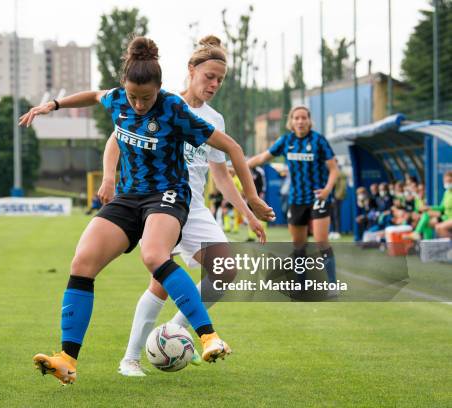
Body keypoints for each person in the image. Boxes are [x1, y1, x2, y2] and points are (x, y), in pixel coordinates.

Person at [19, 36, 273, 385]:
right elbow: (95, 97)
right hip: (129, 196)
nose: (139, 105)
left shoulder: (173, 109)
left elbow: (229, 147)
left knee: (155, 257)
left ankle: (207, 336)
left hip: (168, 195)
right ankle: (67, 359)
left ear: (159, 88)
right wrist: (54, 104)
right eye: (133, 96)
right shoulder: (118, 99)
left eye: (146, 98)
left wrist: (252, 200)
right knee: (82, 262)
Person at [98, 35, 274, 376]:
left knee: (225, 270)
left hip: (193, 210)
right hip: (157, 205)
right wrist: (108, 178)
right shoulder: (157, 102)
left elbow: (220, 175)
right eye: (209, 76)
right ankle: (130, 359)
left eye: (220, 79)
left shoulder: (215, 119)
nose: (214, 84)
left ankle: (174, 334)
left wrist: (247, 212)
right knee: (160, 284)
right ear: (190, 70)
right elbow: (116, 141)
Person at [247, 106, 340, 286]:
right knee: (298, 244)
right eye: (296, 118)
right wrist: (239, 167)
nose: (300, 121)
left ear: (309, 120)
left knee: (322, 241)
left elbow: (334, 169)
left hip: (318, 198)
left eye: (303, 118)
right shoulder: (286, 140)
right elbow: (261, 158)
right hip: (296, 199)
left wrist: (327, 190)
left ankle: (332, 284)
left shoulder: (319, 141)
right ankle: (301, 283)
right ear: (291, 121)